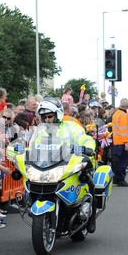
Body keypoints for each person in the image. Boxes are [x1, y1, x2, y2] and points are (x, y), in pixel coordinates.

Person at [34, 97, 97, 233]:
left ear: (58, 115)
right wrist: (18, 151)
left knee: (89, 183)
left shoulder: (71, 127)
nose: (47, 120)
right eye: (44, 117)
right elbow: (32, 147)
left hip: (69, 166)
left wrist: (88, 147)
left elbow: (84, 138)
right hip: (49, 167)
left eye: (50, 116)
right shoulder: (40, 131)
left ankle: (91, 219)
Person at [111, 98, 128, 187]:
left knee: (117, 161)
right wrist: (126, 143)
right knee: (123, 162)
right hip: (122, 142)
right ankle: (121, 180)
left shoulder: (116, 114)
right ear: (127, 106)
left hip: (117, 141)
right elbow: (123, 130)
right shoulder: (123, 115)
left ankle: (116, 178)